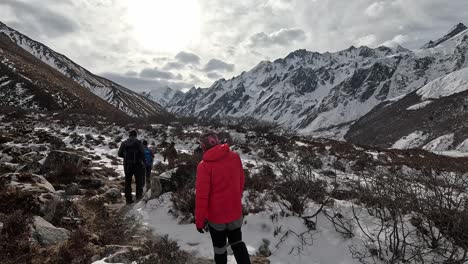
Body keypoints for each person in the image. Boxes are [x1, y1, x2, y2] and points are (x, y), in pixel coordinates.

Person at [195, 132, 250, 264]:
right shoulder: (235, 157)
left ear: (203, 146)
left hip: (217, 217)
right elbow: (241, 181)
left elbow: (202, 197)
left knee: (219, 249)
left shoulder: (204, 166)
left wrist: (199, 221)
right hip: (235, 212)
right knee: (237, 243)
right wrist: (236, 199)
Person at [118, 130, 145, 204]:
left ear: (129, 135)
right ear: (136, 135)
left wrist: (126, 157)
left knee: (128, 183)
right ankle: (138, 197)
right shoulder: (139, 142)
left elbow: (119, 154)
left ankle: (128, 200)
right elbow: (143, 153)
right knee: (138, 182)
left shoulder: (124, 143)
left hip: (127, 165)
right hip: (137, 165)